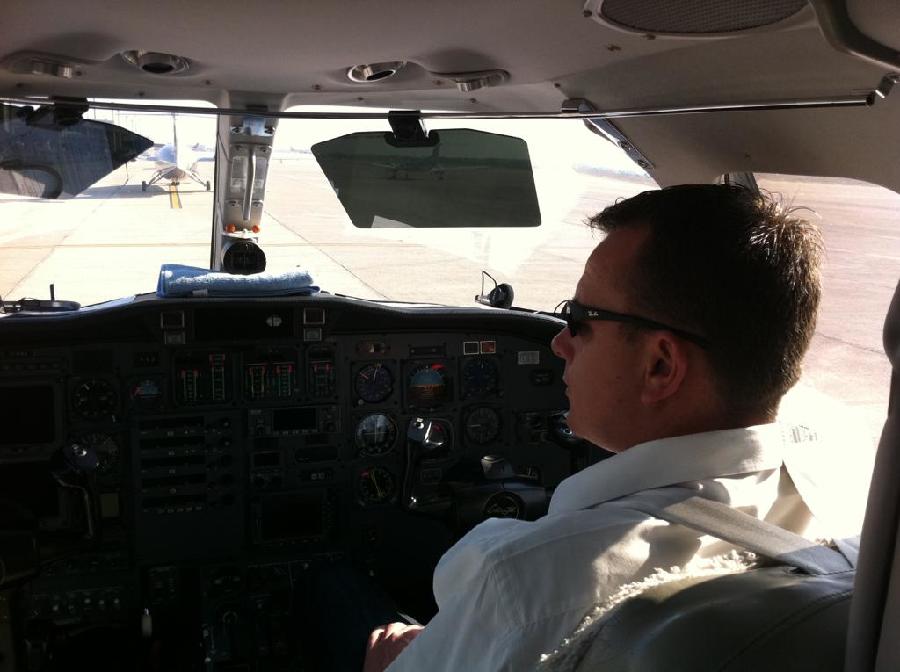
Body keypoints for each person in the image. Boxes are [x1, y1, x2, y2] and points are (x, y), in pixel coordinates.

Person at [364, 184, 867, 671]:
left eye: (579, 319)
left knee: (346, 593)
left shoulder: (525, 585)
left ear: (660, 366)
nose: (559, 343)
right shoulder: (853, 507)